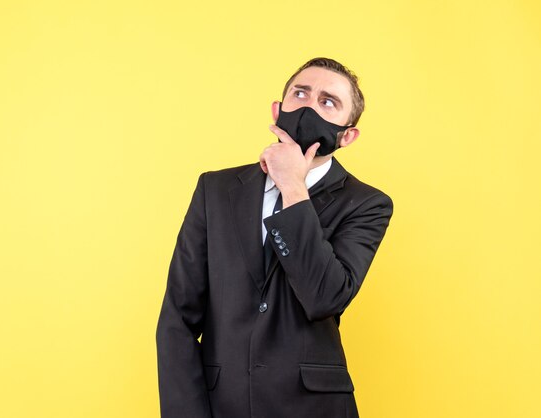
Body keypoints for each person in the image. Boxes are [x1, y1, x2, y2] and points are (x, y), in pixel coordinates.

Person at [156, 57, 394, 418]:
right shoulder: (215, 189)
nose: (310, 105)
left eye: (328, 101)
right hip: (223, 404)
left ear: (347, 135)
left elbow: (326, 296)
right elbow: (178, 318)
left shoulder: (367, 204)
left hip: (315, 407)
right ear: (277, 108)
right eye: (301, 93)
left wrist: (292, 186)